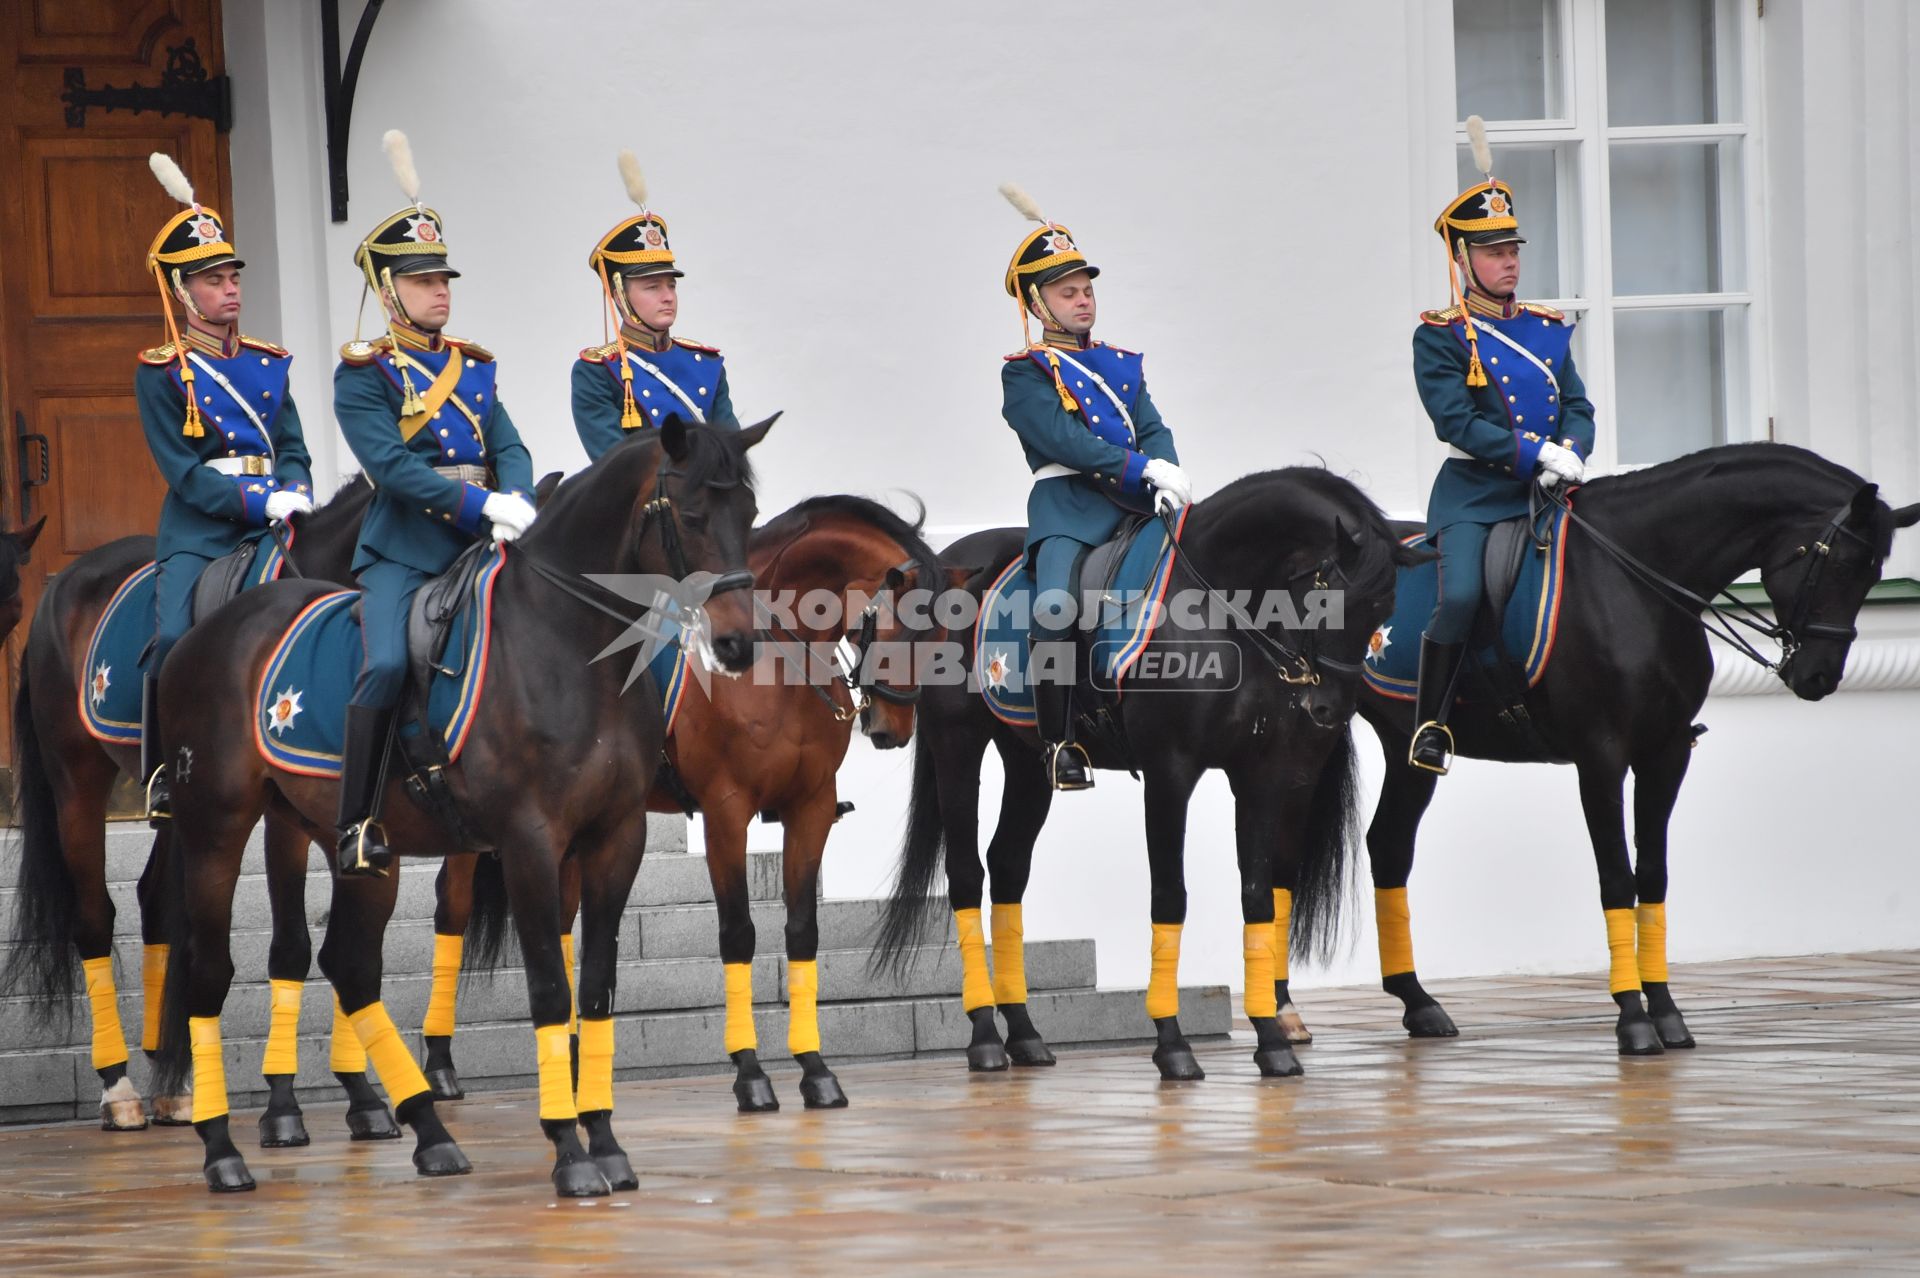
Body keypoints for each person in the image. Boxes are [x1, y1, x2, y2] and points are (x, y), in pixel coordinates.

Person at [330, 131, 536, 877]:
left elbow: (508, 439)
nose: (440, 290)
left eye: (443, 278)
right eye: (422, 281)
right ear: (388, 292)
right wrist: (479, 506)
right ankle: (357, 820)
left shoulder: (473, 367)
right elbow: (388, 467)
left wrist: (519, 498)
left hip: (487, 543)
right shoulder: (363, 375)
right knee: (385, 663)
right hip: (406, 551)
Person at [1408, 116, 1597, 774]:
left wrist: (1572, 447)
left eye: (1513, 247)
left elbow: (1576, 403)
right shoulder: (1441, 335)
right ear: (1463, 260)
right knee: (1459, 596)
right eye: (1493, 251)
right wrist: (1533, 454)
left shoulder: (1547, 329)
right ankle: (1429, 724)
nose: (1509, 260)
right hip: (1477, 497)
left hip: (1549, 490)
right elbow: (1456, 422)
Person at [136, 153, 315, 822]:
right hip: (201, 530)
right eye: (214, 280)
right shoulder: (160, 374)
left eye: (234, 276)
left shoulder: (270, 363)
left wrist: (294, 488)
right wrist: (255, 499)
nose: (232, 289)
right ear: (183, 292)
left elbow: (291, 443)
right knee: (174, 633)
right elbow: (183, 474)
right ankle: (159, 770)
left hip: (274, 521)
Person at [997, 183, 1191, 790]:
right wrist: (1141, 469)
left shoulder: (1122, 362)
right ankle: (1058, 743)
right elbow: (1067, 442)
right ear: (1038, 301)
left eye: (1087, 290)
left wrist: (1166, 472)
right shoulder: (1024, 374)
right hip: (1069, 510)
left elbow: (1152, 426)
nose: (1083, 301)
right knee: (1055, 608)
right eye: (1067, 292)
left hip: (1138, 506)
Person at [573, 151, 738, 459]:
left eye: (671, 285)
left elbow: (732, 450)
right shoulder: (597, 371)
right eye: (653, 286)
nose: (668, 296)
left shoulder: (708, 364)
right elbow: (616, 466)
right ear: (619, 293)